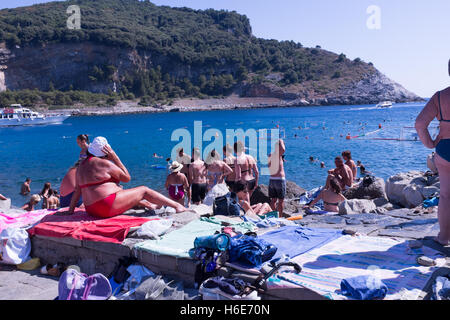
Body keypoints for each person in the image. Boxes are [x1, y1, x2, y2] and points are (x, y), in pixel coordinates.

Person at [66, 136, 185, 218]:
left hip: (91, 209)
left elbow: (77, 190)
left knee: (126, 192)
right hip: (105, 206)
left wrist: (70, 211)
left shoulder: (81, 166)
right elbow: (127, 178)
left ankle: (150, 205)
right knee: (143, 190)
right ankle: (177, 206)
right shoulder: (104, 163)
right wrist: (115, 157)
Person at [415, 62, 450, 246]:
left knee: (445, 195)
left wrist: (430, 144)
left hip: (444, 148)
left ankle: (444, 237)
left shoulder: (439, 97)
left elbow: (420, 124)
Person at [268, 139, 287, 217]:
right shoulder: (278, 154)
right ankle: (280, 217)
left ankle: (273, 216)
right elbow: (283, 149)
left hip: (272, 179)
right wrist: (281, 140)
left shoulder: (270, 155)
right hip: (279, 180)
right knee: (281, 200)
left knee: (273, 200)